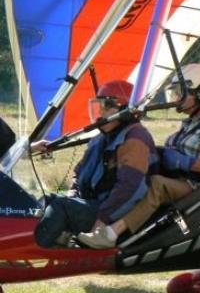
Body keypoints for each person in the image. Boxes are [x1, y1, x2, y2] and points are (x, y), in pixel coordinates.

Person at [78, 63, 200, 249]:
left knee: (157, 184)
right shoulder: (189, 124)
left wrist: (184, 162)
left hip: (198, 185)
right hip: (177, 181)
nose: (177, 98)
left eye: (181, 92)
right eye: (175, 93)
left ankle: (111, 234)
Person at [34, 80, 159, 247]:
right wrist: (73, 194)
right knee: (45, 201)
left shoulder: (135, 138)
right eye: (99, 105)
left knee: (61, 206)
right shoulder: (101, 138)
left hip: (110, 216)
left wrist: (102, 220)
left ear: (125, 109)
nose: (101, 112)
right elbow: (79, 173)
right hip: (93, 204)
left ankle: (33, 250)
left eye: (107, 106)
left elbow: (129, 189)